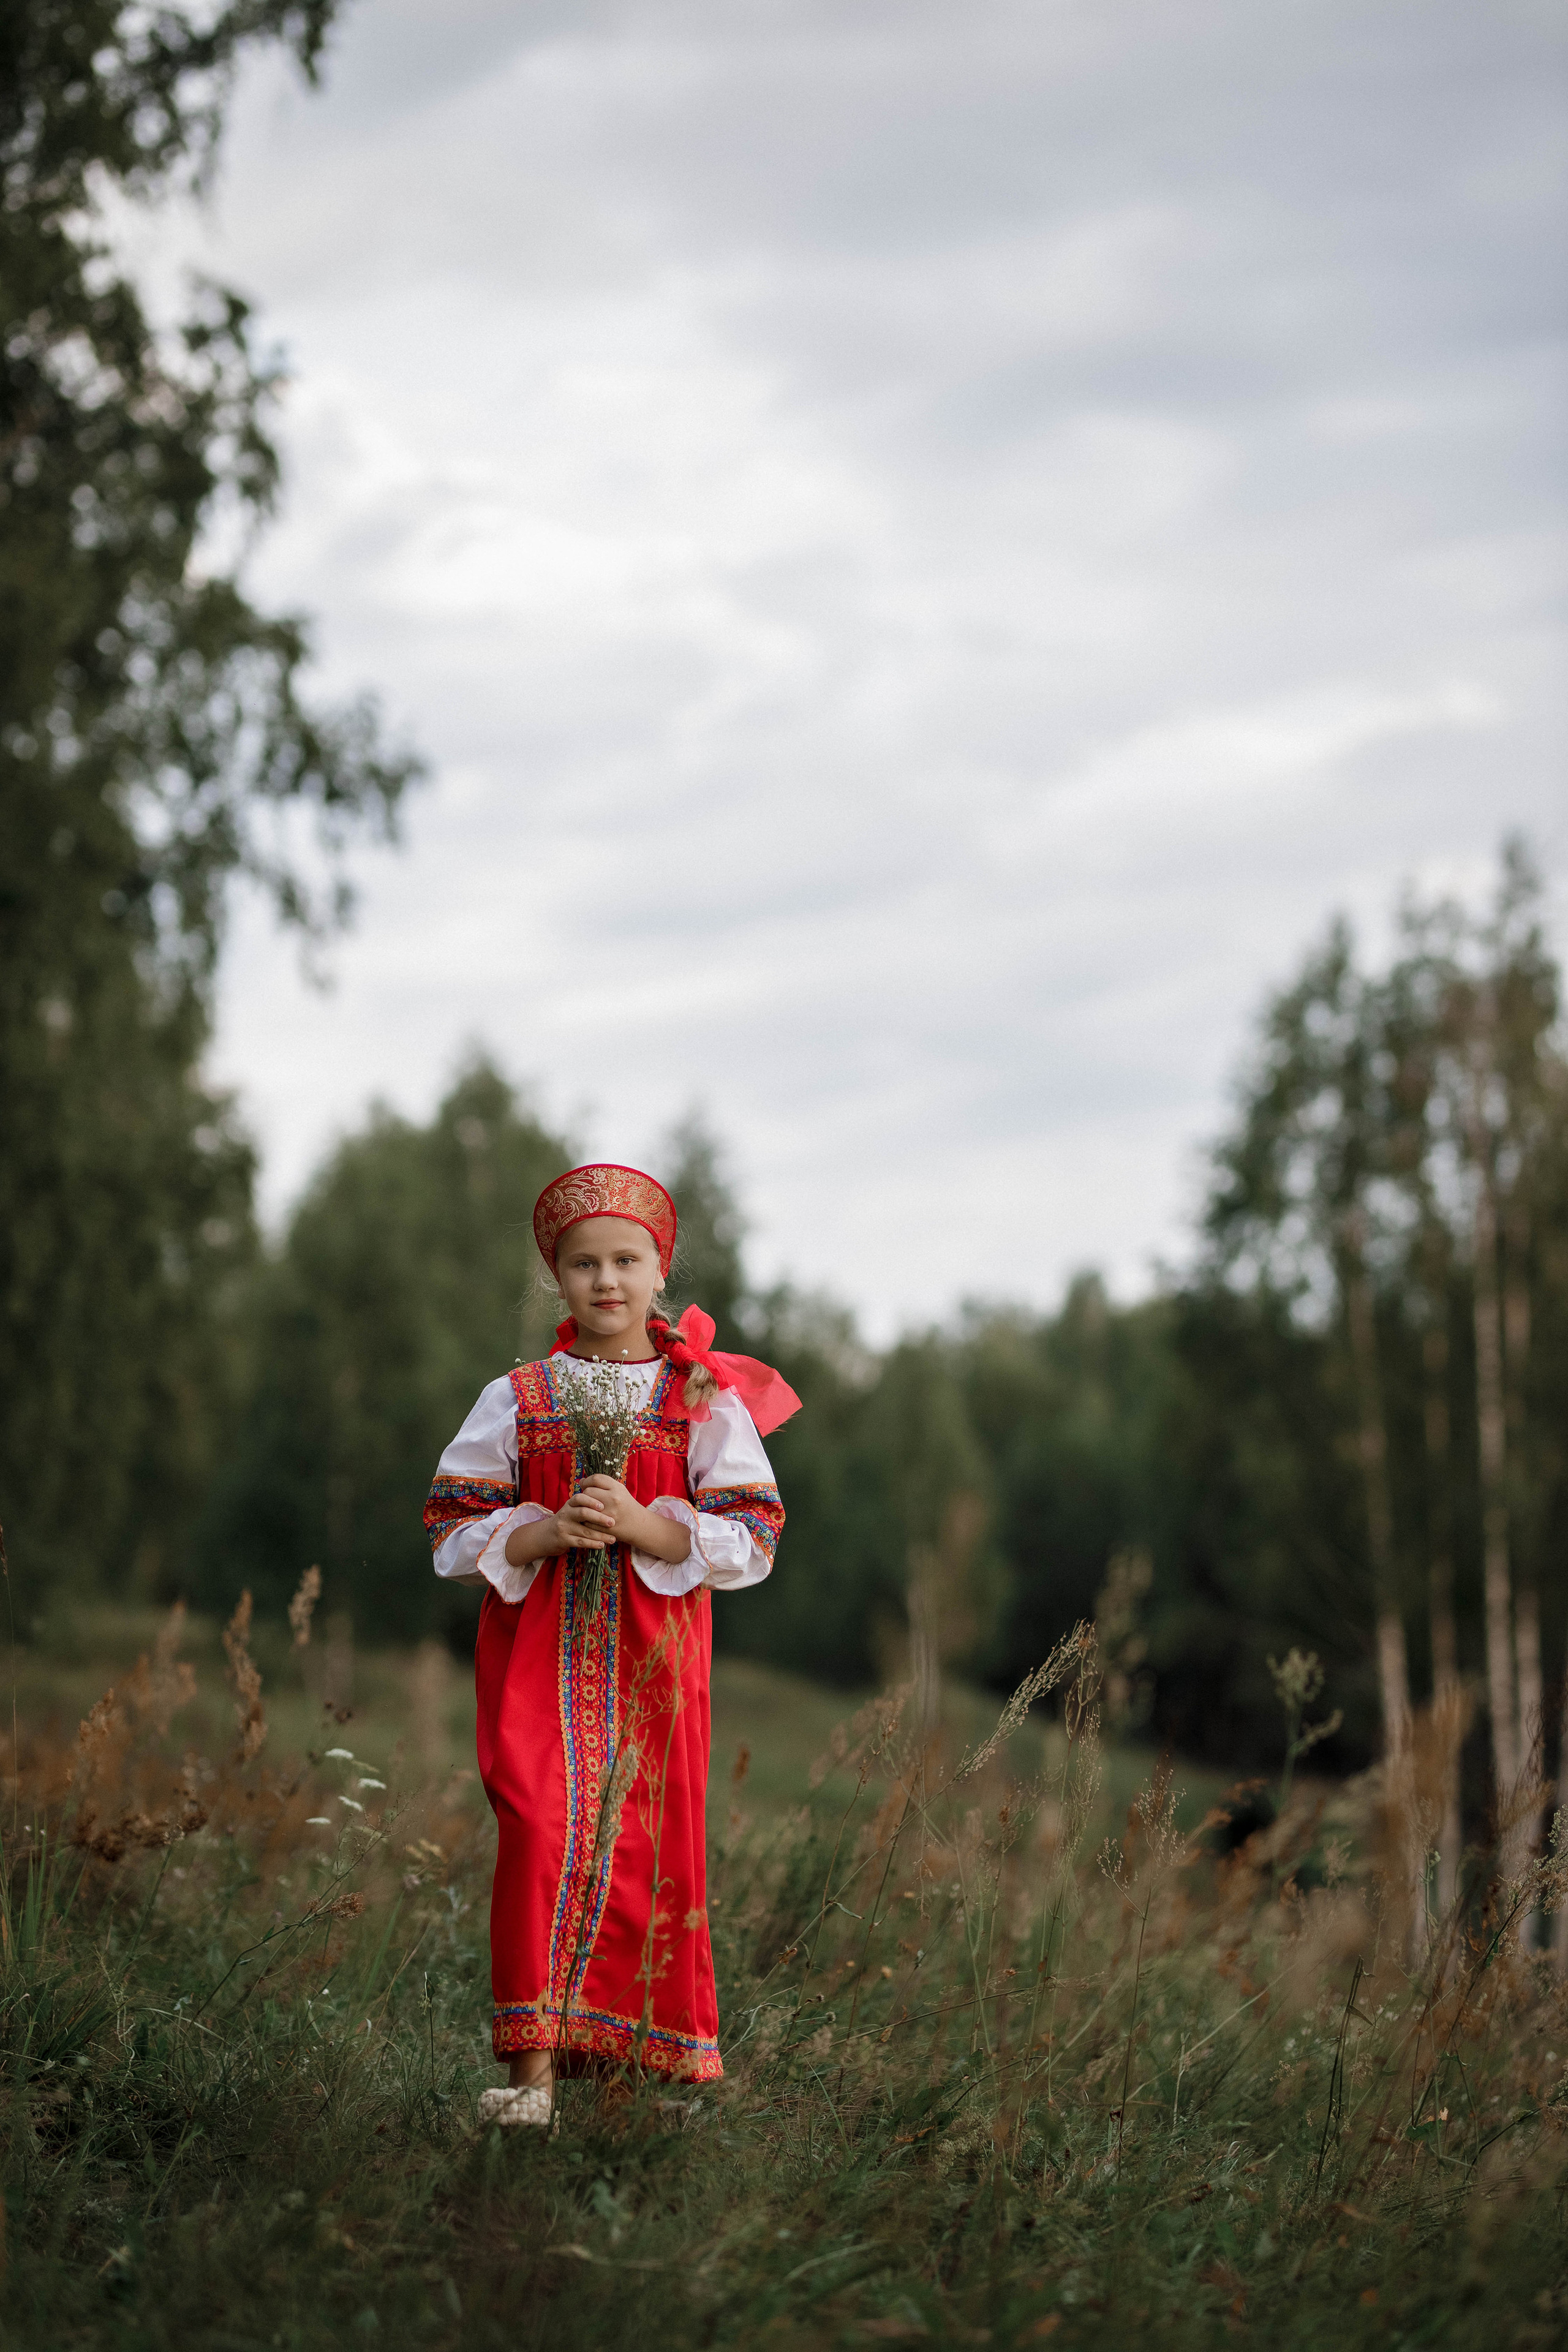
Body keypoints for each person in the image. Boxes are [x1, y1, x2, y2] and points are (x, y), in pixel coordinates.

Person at [424, 1162, 799, 2128]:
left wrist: (643, 1523)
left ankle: (644, 2073)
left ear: (658, 1272)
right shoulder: (520, 1394)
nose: (606, 1281)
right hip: (538, 1653)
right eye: (583, 1263)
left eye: (626, 1261)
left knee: (645, 1844)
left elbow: (750, 1532)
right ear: (556, 1277)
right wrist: (543, 1531)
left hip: (655, 1660)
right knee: (540, 1832)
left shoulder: (700, 1397)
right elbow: (452, 1522)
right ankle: (533, 2080)